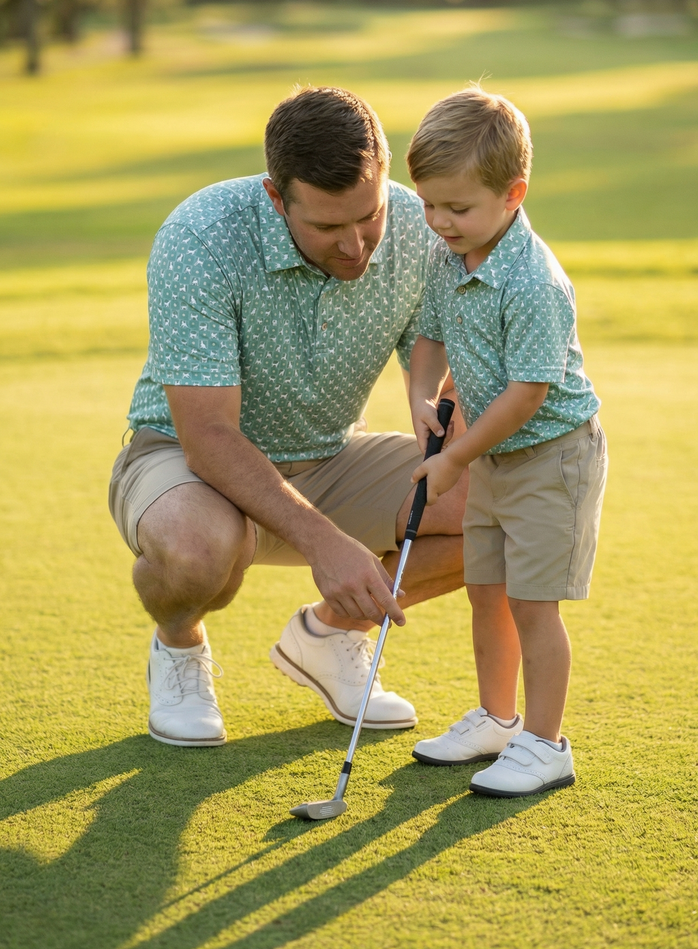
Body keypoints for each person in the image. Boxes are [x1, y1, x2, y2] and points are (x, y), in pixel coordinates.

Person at [109, 86, 467, 748]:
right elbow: (208, 436)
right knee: (198, 553)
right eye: (328, 228)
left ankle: (329, 637)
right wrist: (324, 544)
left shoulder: (420, 226)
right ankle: (179, 648)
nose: (357, 246)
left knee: (507, 500)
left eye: (370, 216)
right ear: (278, 199)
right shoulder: (202, 236)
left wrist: (427, 398)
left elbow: (430, 341)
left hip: (330, 457)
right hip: (188, 465)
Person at [406, 86, 608, 796]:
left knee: (532, 602)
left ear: (513, 193)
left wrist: (456, 453)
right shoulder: (444, 253)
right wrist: (421, 397)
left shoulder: (533, 280)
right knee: (485, 590)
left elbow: (529, 394)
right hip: (491, 454)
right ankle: (497, 719)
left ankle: (546, 745)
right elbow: (428, 337)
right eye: (429, 204)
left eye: (456, 208)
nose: (439, 221)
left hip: (552, 456)